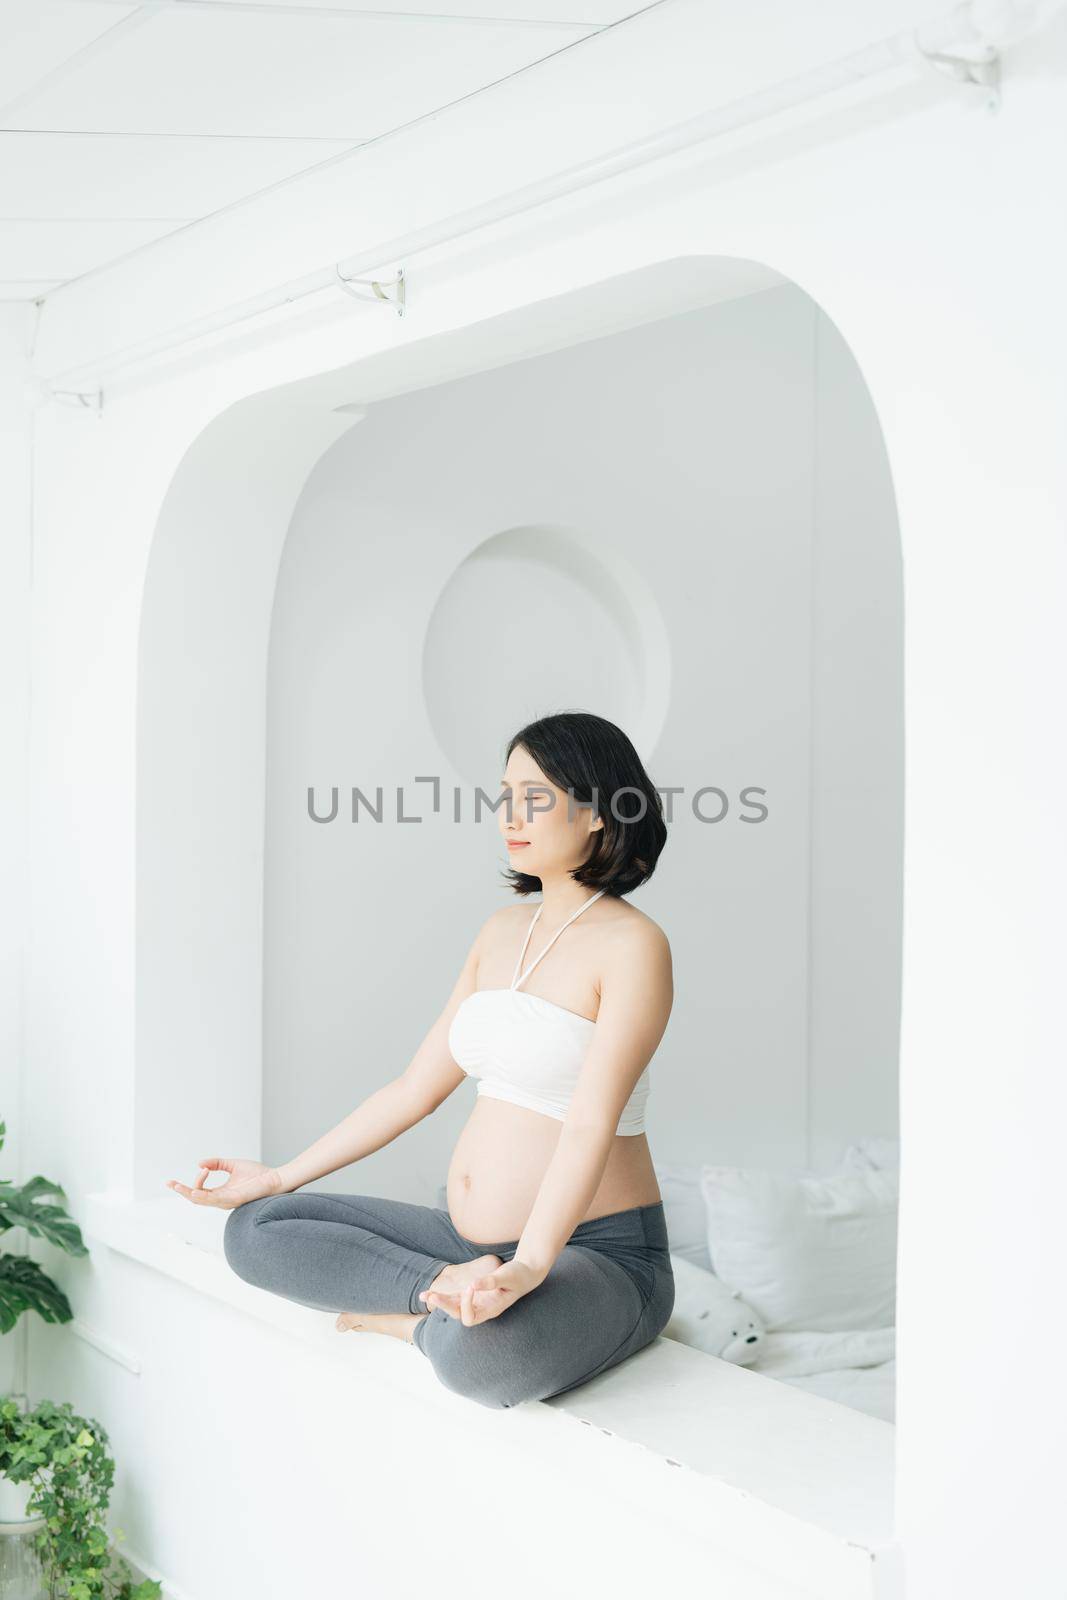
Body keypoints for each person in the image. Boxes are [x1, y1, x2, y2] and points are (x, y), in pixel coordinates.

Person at [165, 710, 675, 1409]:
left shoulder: (632, 946)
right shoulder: (500, 931)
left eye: (535, 795)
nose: (509, 813)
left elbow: (588, 1122)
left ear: (596, 813)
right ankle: (437, 1293)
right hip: (461, 1241)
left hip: (597, 1253)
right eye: (504, 793)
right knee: (255, 1231)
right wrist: (278, 1176)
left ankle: (412, 1326)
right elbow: (412, 1090)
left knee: (482, 1358)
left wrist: (528, 1266)